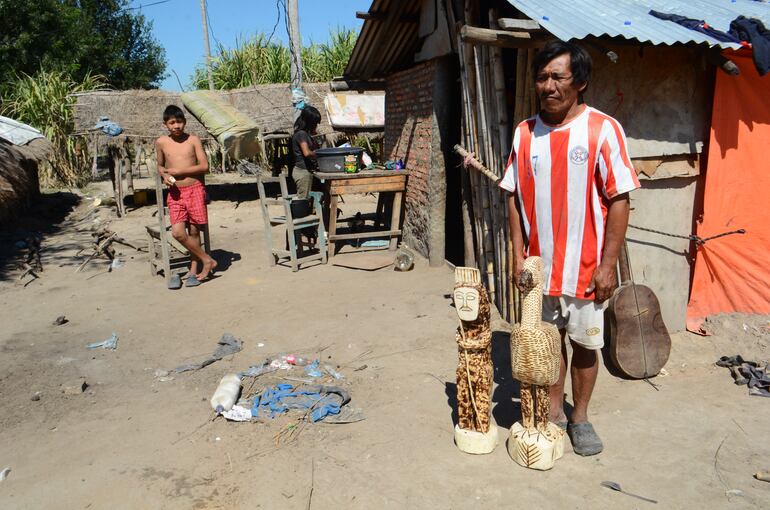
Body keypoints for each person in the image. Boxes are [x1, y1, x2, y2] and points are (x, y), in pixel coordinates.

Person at [499, 41, 640, 456]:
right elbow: (512, 194)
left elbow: (619, 198)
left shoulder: (602, 129)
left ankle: (579, 417)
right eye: (542, 78)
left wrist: (608, 264)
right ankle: (555, 414)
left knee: (584, 344)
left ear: (579, 82)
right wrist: (517, 253)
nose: (548, 86)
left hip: (585, 267)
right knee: (547, 341)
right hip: (540, 270)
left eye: (557, 77)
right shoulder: (525, 133)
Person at [155, 105, 217, 287]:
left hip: (195, 189)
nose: (176, 126)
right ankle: (207, 260)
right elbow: (159, 165)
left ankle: (193, 270)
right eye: (172, 123)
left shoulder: (193, 140)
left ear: (185, 122)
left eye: (179, 122)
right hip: (175, 193)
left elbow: (204, 166)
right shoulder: (161, 142)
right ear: (165, 124)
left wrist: (180, 170)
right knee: (178, 233)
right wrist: (165, 175)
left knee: (194, 231)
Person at [291, 105, 322, 199]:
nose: (316, 125)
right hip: (303, 172)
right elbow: (307, 153)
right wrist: (319, 154)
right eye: (315, 123)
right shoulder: (301, 134)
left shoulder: (304, 134)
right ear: (309, 122)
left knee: (310, 200)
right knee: (303, 200)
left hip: (305, 171)